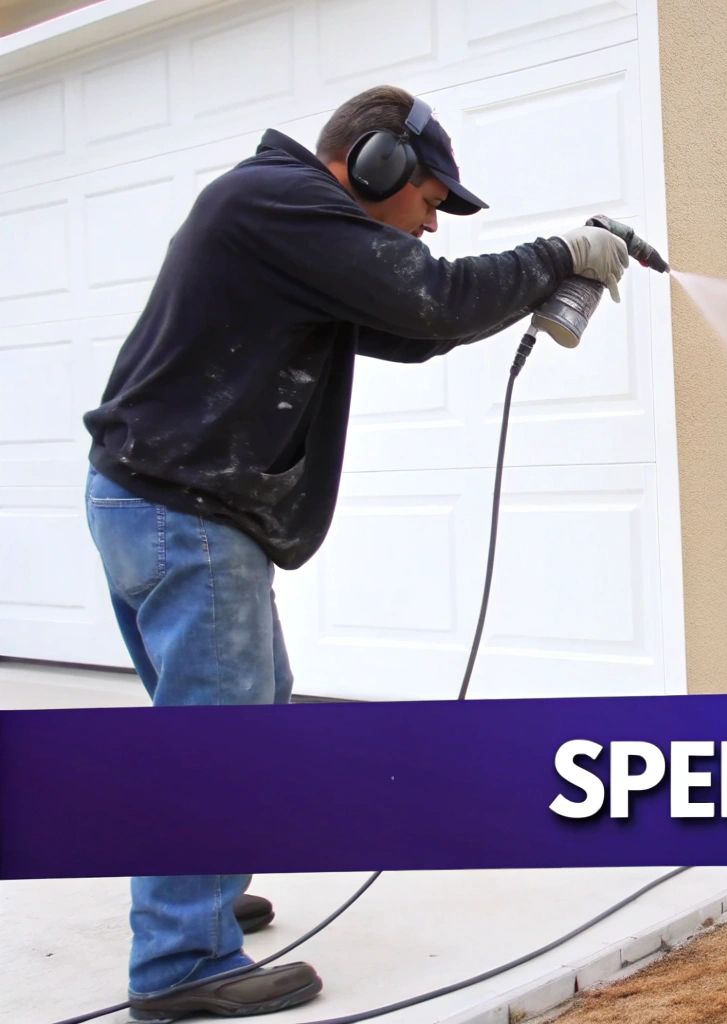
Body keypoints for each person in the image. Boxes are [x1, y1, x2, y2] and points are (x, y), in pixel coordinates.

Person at [81, 85, 634, 1021]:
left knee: (235, 711)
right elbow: (431, 299)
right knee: (215, 739)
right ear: (374, 161)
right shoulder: (282, 201)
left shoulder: (283, 224)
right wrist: (557, 253)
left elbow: (413, 331)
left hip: (152, 502)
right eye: (428, 200)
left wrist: (536, 282)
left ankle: (201, 887)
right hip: (189, 514)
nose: (429, 225)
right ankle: (182, 967)